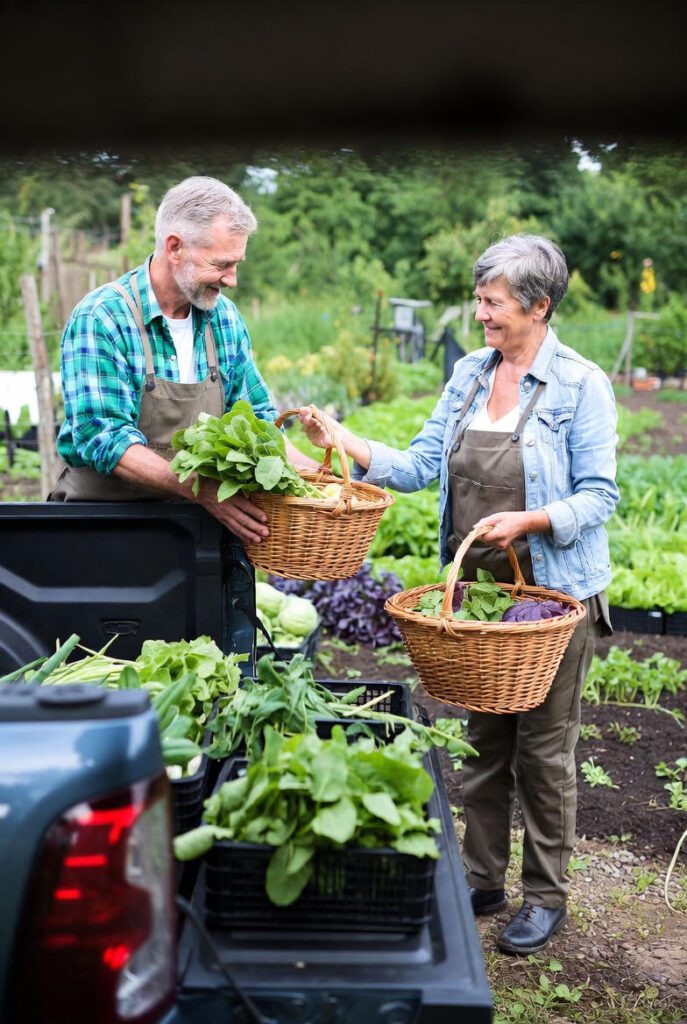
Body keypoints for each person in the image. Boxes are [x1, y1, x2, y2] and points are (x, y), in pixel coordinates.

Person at [298, 233, 619, 956]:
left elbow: (600, 496)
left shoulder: (579, 384)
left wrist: (534, 518)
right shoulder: (471, 374)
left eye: (492, 302)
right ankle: (481, 877)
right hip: (476, 597)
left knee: (543, 751)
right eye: (477, 300)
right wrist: (342, 440)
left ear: (538, 306)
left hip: (551, 599)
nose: (479, 314)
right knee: (480, 742)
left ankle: (544, 896)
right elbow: (416, 465)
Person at [51, 175, 317, 543]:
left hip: (191, 534)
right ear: (174, 247)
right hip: (103, 529)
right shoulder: (103, 317)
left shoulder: (223, 319)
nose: (233, 279)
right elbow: (104, 436)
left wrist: (320, 479)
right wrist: (200, 490)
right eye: (223, 264)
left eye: (237, 263)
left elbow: (260, 422)